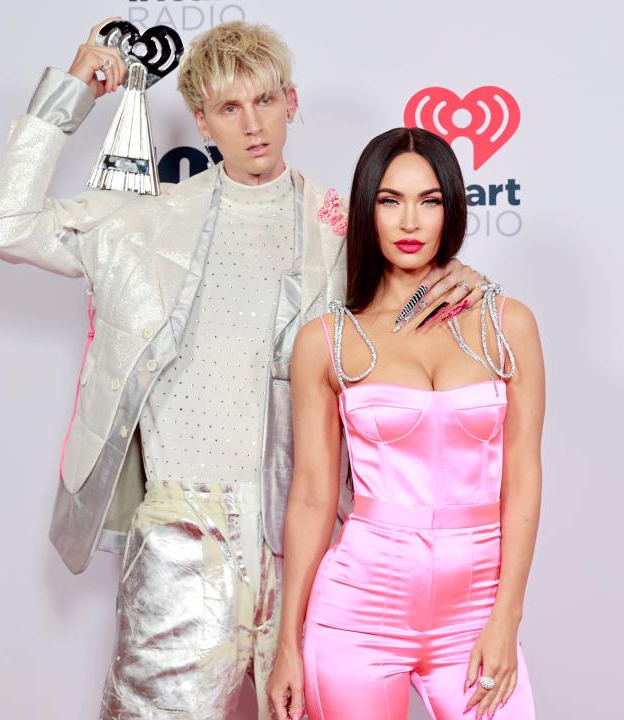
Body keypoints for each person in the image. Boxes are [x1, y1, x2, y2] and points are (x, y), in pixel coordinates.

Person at [0, 19, 492, 720]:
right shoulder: (141, 223)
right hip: (183, 540)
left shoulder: (345, 232)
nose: (253, 125)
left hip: (315, 545)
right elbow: (3, 225)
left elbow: (416, 296)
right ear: (202, 121)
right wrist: (70, 95)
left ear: (292, 101)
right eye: (229, 108)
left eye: (266, 101)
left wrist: (456, 276)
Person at [267, 128, 544, 720]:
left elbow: (522, 480)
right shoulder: (328, 342)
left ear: (452, 207)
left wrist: (507, 617)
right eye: (390, 201)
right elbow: (314, 498)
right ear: (367, 210)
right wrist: (287, 646)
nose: (410, 221)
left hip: (475, 614)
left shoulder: (508, 325)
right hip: (356, 614)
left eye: (430, 200)